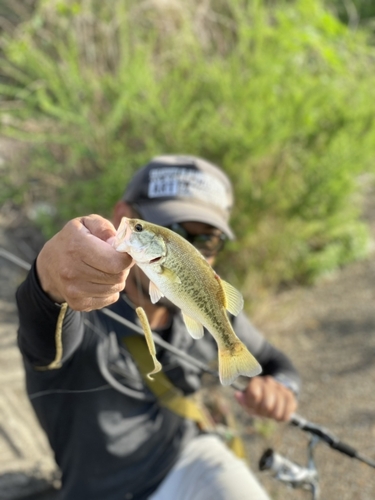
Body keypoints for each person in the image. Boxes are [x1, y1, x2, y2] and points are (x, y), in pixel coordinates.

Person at [16, 155, 300, 500]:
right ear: (121, 216)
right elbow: (43, 335)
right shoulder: (82, 305)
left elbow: (276, 363)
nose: (193, 250)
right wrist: (47, 281)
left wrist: (281, 390)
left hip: (189, 460)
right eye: (176, 232)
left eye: (207, 240)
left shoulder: (207, 301)